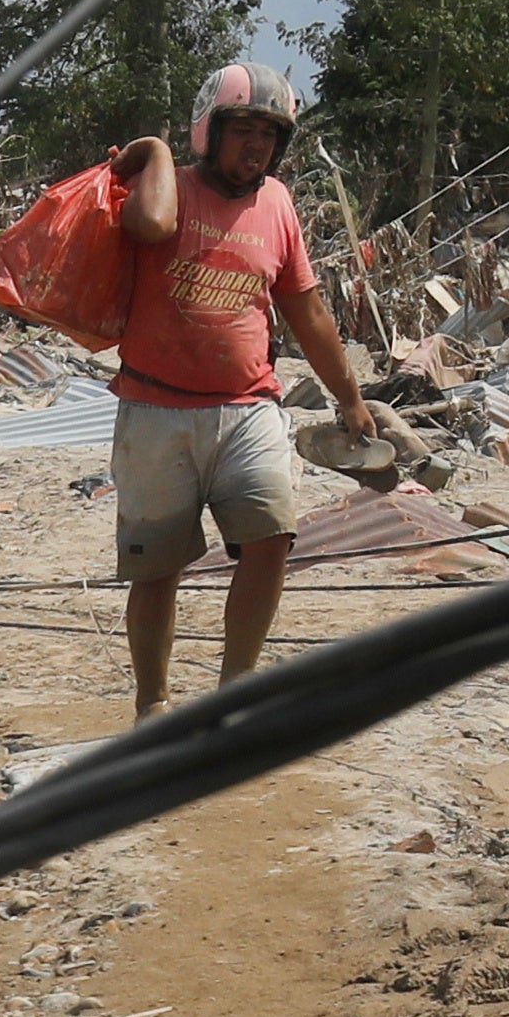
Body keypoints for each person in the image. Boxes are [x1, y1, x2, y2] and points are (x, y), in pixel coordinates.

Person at [104, 61, 374, 725]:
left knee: (270, 539)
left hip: (248, 406)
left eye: (269, 134)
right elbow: (146, 226)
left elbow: (306, 309)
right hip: (156, 410)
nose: (256, 145)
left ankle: (234, 694)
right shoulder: (166, 188)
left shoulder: (277, 204)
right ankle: (152, 705)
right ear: (210, 130)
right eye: (243, 130)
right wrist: (154, 152)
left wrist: (349, 397)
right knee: (156, 570)